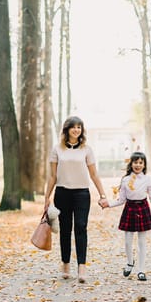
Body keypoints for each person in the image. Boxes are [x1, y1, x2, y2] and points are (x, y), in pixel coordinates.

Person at [44, 116, 108, 283]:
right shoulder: (57, 149)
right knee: (65, 229)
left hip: (81, 194)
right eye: (73, 127)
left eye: (79, 127)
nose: (76, 130)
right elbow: (52, 176)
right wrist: (47, 197)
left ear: (82, 130)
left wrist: (102, 195)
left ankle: (82, 266)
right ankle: (65, 263)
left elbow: (94, 174)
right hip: (62, 193)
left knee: (81, 227)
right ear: (67, 130)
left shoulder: (87, 149)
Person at [99, 151, 151, 281]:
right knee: (128, 241)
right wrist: (108, 204)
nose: (138, 165)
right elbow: (121, 200)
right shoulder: (125, 180)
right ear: (131, 163)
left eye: (141, 163)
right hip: (129, 208)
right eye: (135, 162)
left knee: (142, 242)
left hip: (143, 209)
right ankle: (130, 263)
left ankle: (141, 270)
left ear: (144, 165)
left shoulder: (148, 179)